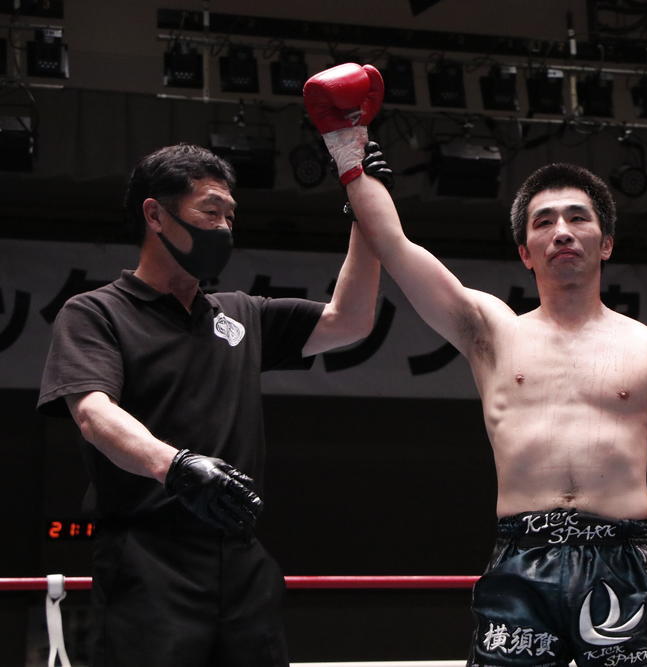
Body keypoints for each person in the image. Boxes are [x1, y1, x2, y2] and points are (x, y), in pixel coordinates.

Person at [304, 64, 647, 667]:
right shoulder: (491, 332)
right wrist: (349, 149)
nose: (562, 232)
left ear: (607, 242)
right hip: (520, 560)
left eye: (578, 218)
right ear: (525, 252)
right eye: (544, 222)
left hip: (624, 560)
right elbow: (396, 248)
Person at [36, 139, 388, 666]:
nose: (224, 227)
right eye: (210, 211)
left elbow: (351, 321)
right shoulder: (95, 313)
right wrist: (175, 466)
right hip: (147, 559)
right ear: (155, 215)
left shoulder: (240, 313)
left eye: (230, 216)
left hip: (241, 556)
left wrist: (364, 209)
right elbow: (93, 413)